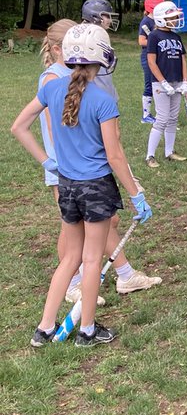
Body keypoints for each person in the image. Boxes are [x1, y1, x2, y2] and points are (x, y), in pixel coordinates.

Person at [11, 23, 153, 347]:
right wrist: (136, 195)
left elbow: (18, 126)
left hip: (67, 186)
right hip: (96, 188)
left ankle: (44, 328)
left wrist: (47, 161)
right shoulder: (103, 100)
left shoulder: (51, 88)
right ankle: (87, 330)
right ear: (100, 57)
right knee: (91, 260)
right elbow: (115, 156)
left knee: (70, 258)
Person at [43, 17, 161, 301]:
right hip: (67, 167)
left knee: (106, 221)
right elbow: (54, 130)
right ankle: (74, 283)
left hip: (87, 166)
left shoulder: (75, 76)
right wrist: (51, 161)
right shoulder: (53, 79)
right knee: (72, 231)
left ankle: (125, 274)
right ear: (61, 49)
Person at [138, 0, 187, 130]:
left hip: (169, 58)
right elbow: (141, 41)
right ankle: (149, 115)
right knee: (154, 88)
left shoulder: (174, 35)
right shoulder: (147, 23)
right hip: (154, 59)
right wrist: (157, 42)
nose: (175, 18)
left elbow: (183, 58)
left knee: (185, 88)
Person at [145, 0, 187, 167]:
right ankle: (150, 156)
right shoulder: (154, 36)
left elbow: (183, 60)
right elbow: (151, 62)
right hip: (161, 85)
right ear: (161, 19)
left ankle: (169, 152)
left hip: (177, 82)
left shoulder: (176, 37)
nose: (176, 20)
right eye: (172, 17)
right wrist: (163, 82)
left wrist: (185, 81)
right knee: (162, 118)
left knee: (172, 118)